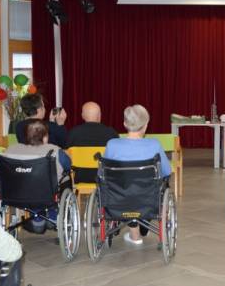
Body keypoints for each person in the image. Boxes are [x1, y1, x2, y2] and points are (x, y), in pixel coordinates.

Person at [104, 104, 171, 246]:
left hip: (118, 198)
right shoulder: (154, 145)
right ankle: (142, 224)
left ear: (124, 123)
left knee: (126, 187)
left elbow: (104, 173)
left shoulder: (112, 144)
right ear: (145, 125)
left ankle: (134, 233)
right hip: (147, 199)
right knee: (156, 185)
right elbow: (166, 171)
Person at [4, 120, 71, 184]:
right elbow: (68, 166)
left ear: (27, 136)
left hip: (15, 190)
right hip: (47, 190)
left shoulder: (10, 149)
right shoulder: (55, 151)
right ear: (45, 138)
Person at [66, 101, 119, 183]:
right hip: (104, 178)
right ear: (99, 115)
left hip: (79, 179)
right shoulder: (111, 133)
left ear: (83, 116)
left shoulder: (73, 133)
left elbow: (66, 155)